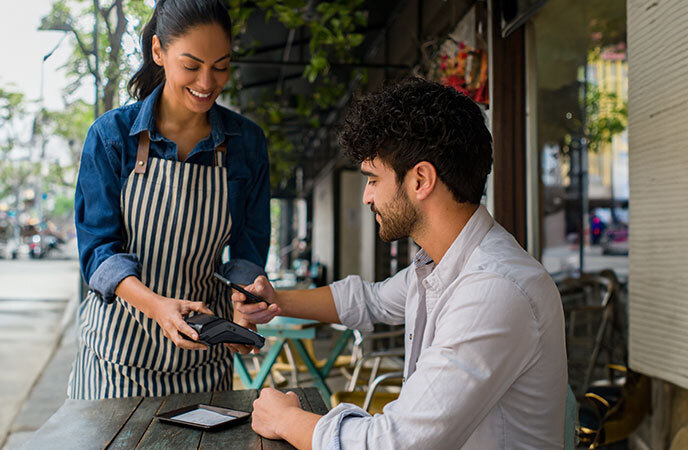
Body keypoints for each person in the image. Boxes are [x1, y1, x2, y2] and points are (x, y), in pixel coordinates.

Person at [234, 78, 568, 449]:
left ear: (421, 179)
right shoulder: (440, 265)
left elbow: (395, 443)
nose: (367, 196)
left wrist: (286, 419)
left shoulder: (495, 288)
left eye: (374, 179)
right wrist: (274, 299)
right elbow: (368, 300)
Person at [68, 0, 274, 400]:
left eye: (221, 65)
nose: (208, 82)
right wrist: (158, 306)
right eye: (192, 65)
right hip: (116, 359)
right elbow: (98, 253)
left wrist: (245, 303)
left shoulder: (246, 143)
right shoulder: (112, 136)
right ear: (159, 52)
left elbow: (248, 248)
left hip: (204, 360)